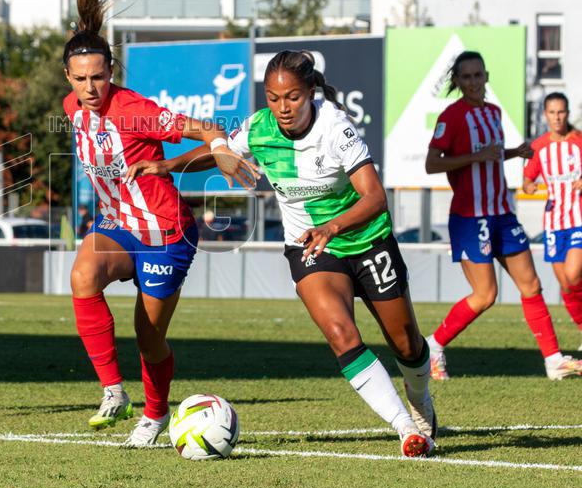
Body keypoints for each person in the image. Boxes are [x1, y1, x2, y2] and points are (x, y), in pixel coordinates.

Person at [134, 51, 439, 457]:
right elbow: (221, 153)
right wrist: (168, 165)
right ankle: (405, 429)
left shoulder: (336, 127)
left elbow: (375, 197)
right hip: (309, 247)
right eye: (274, 98)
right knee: (339, 333)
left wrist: (332, 226)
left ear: (311, 92)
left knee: (406, 345)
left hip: (366, 239)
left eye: (292, 97)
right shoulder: (260, 127)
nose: (282, 108)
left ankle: (420, 401)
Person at [64, 0, 256, 447]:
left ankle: (154, 415)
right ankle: (114, 392)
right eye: (82, 78)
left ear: (112, 74)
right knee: (82, 277)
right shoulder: (71, 107)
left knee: (147, 338)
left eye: (99, 77)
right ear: (68, 77)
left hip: (165, 232)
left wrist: (208, 153)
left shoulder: (134, 111)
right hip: (119, 225)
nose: (91, 87)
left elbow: (209, 129)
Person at [424, 51, 581, 381]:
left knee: (532, 286)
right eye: (465, 77)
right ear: (457, 81)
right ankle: (434, 346)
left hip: (502, 214)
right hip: (470, 218)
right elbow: (432, 163)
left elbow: (490, 157)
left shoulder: (493, 113)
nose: (473, 82)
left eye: (478, 75)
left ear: (486, 76)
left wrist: (514, 153)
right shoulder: (451, 117)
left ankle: (554, 361)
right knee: (486, 296)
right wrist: (474, 156)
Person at [522, 92, 582, 351]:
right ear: (545, 115)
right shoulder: (539, 146)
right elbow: (527, 178)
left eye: (561, 112)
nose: (557, 117)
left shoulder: (579, 141)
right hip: (554, 221)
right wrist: (530, 185)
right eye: (552, 112)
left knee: (573, 273)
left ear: (567, 113)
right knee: (566, 285)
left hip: (578, 217)